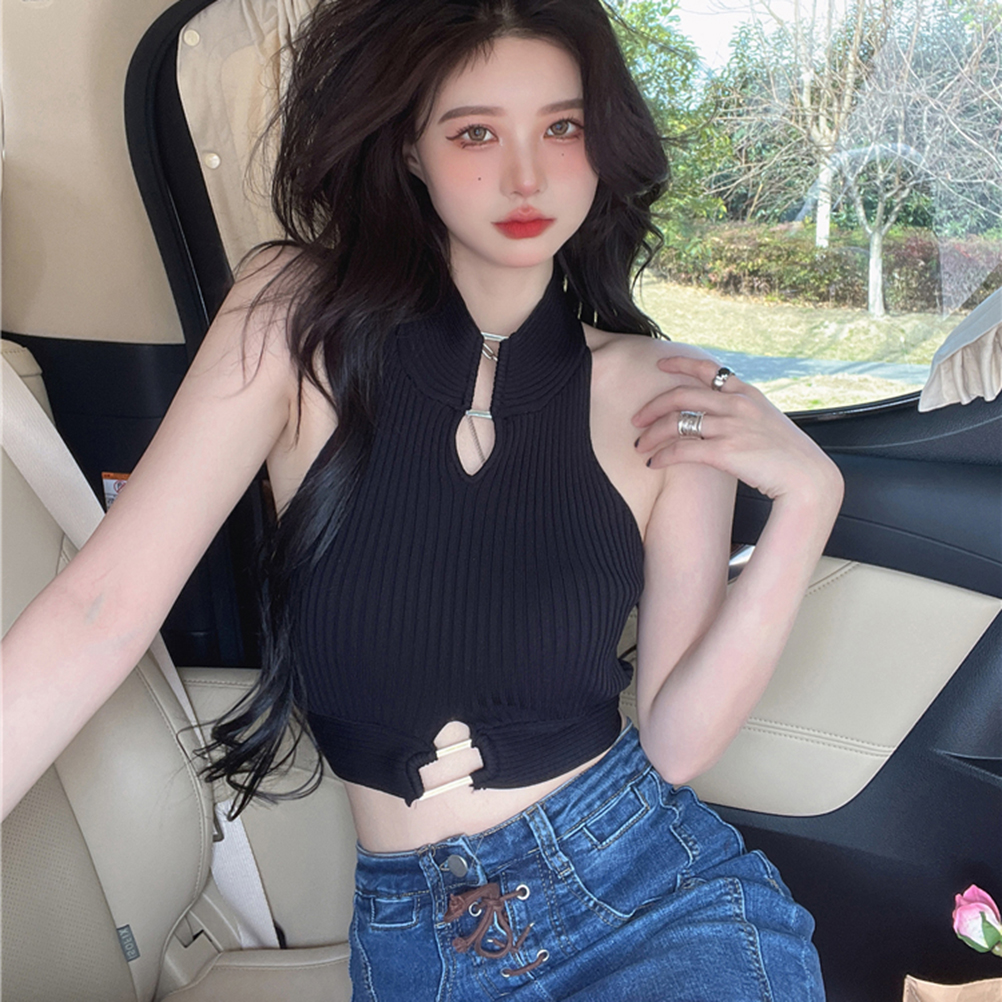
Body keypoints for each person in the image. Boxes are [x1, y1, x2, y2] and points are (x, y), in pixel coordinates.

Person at [2, 0, 843, 997]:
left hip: (647, 898)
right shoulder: (291, 321)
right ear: (409, 146)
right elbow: (98, 611)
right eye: (476, 132)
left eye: (562, 128)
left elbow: (677, 740)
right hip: (411, 936)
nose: (526, 177)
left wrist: (810, 498)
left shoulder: (667, 390)